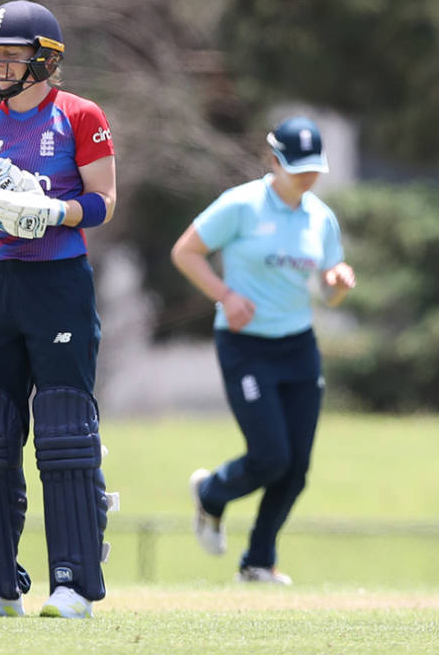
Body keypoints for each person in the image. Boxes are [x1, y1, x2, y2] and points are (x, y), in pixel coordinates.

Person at [0, 0, 118, 619]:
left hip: (58, 281)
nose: (0, 65)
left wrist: (53, 211)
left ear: (46, 59)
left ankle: (74, 583)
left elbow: (103, 201)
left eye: (12, 54)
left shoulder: (79, 117)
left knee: (64, 433)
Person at [170, 115, 357, 585]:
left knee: (296, 468)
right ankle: (211, 494)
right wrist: (225, 295)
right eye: (298, 167)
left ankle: (258, 562)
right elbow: (185, 252)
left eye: (314, 168)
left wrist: (338, 285)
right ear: (273, 161)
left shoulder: (321, 218)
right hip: (245, 347)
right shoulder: (242, 205)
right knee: (271, 456)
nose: (308, 176)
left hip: (298, 345)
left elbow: (328, 289)